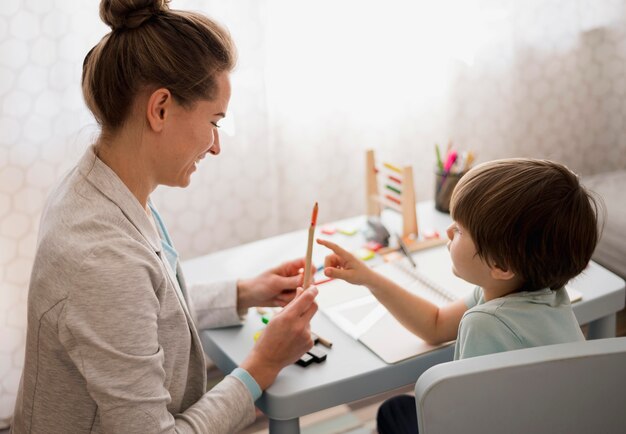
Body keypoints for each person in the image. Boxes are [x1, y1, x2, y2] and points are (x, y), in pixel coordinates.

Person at [10, 1, 318, 433]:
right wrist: (260, 367)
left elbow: (146, 308)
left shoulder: (99, 186)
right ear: (160, 109)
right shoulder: (100, 256)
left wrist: (246, 292)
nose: (216, 146)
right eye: (214, 121)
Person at [317, 158, 602, 434]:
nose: (449, 231)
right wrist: (371, 279)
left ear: (501, 266)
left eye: (460, 230)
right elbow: (435, 324)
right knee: (400, 409)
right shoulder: (548, 292)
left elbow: (467, 422)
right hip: (553, 421)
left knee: (392, 411)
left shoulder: (485, 323)